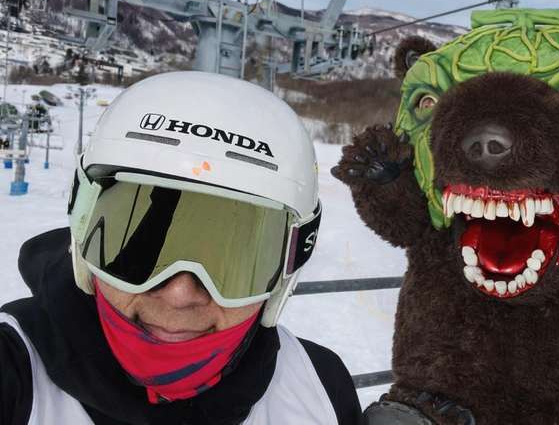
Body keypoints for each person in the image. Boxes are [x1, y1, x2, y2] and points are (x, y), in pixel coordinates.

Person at [0, 71, 362, 425]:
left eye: (233, 262)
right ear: (82, 226)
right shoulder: (15, 374)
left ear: (288, 265)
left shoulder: (320, 388)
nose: (179, 295)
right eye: (133, 254)